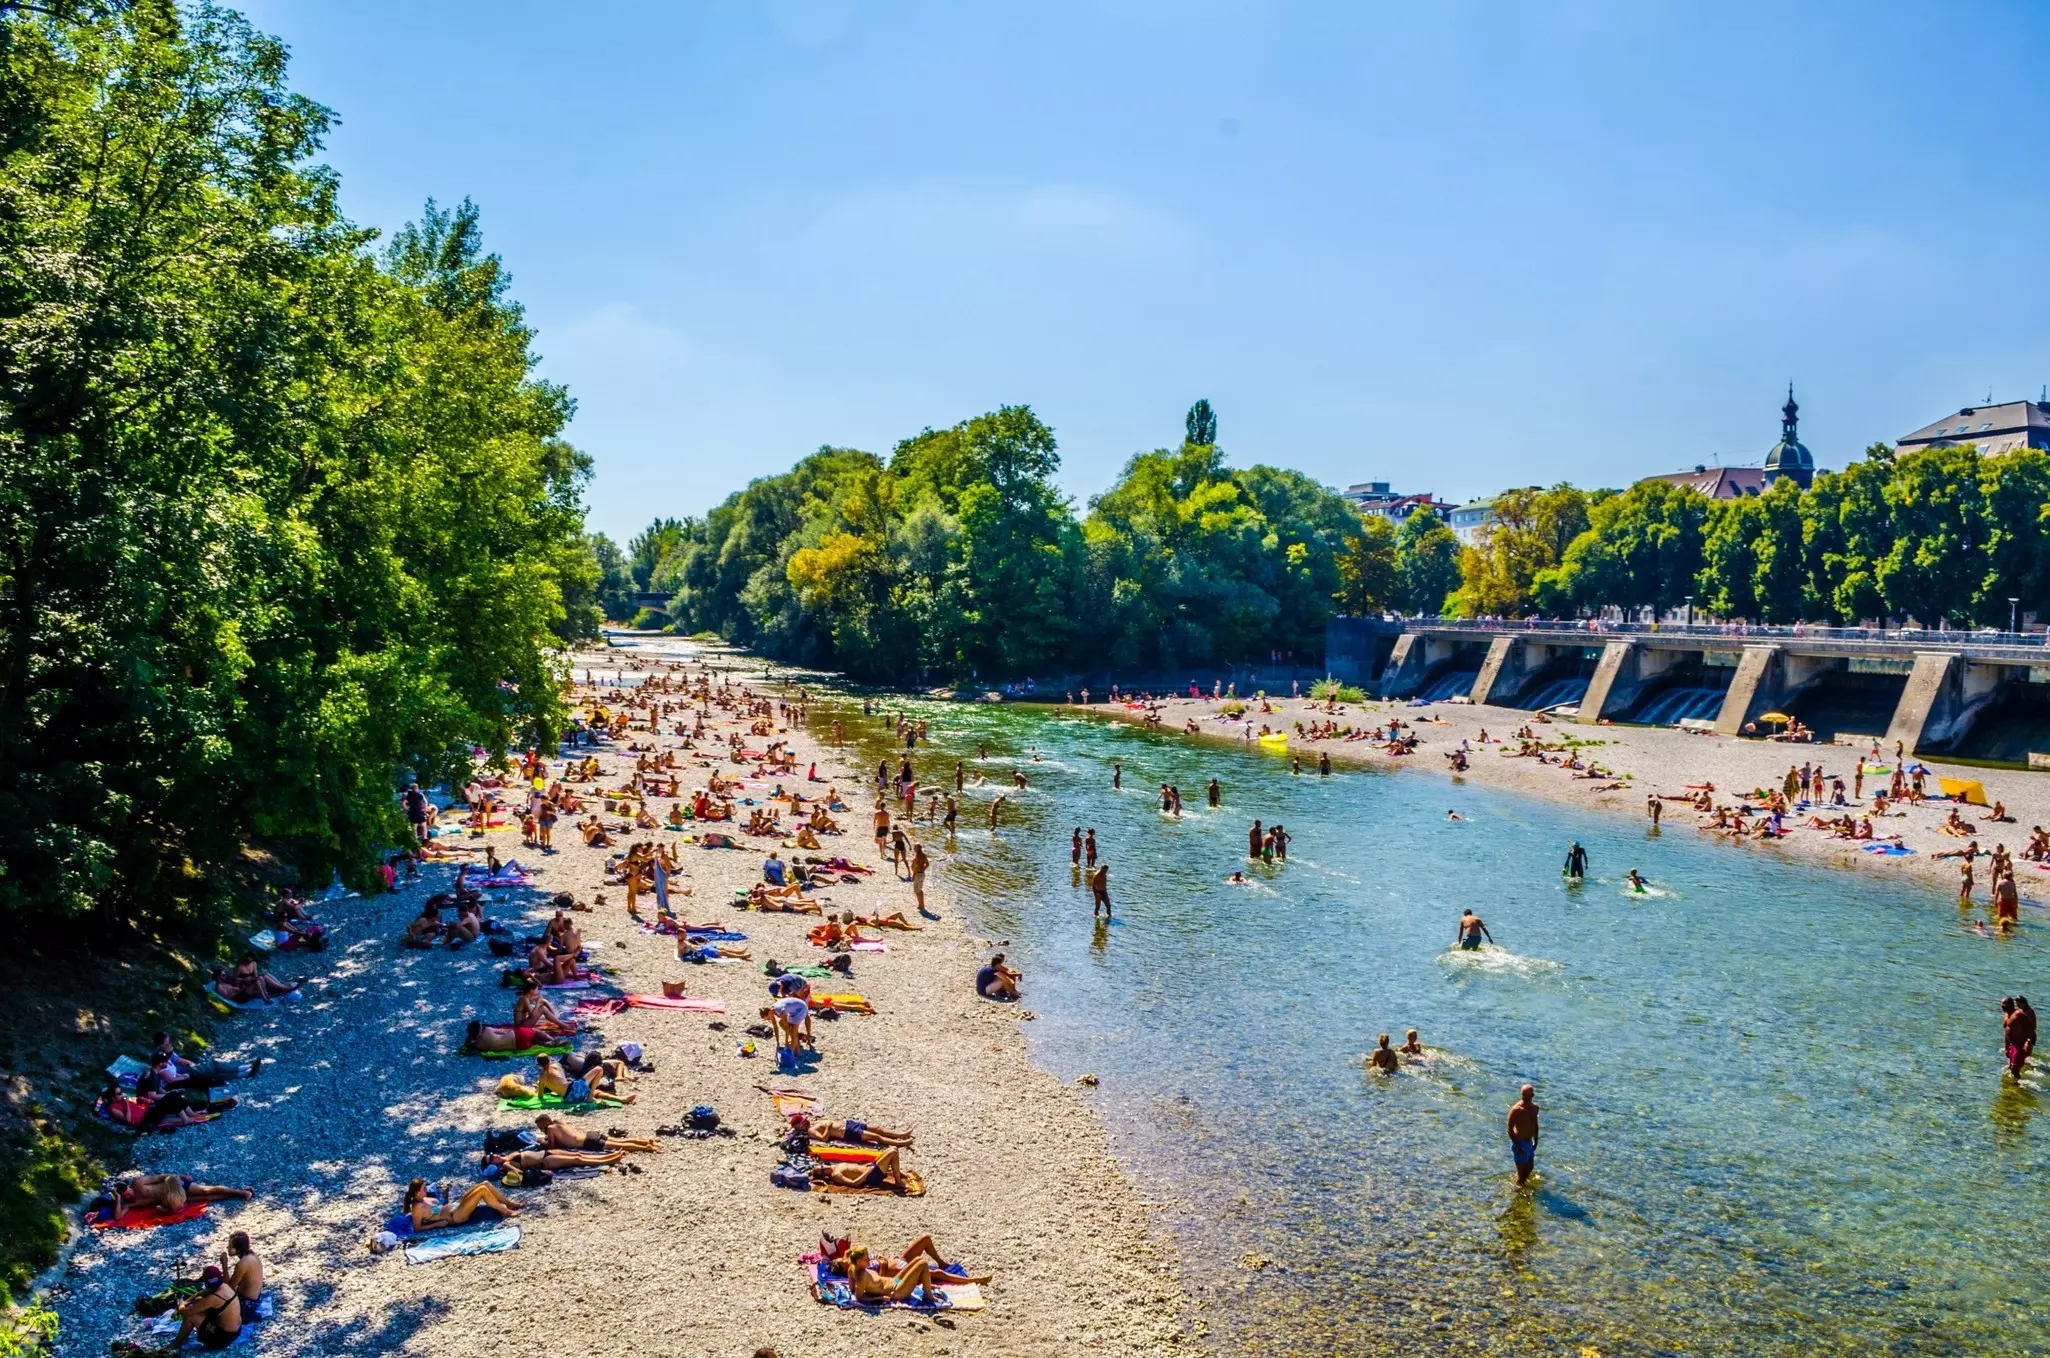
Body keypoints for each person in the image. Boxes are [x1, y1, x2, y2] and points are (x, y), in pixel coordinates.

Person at [403, 1176, 521, 1231]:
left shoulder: (423, 1199)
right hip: (455, 1216)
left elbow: (437, 1207)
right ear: (417, 1193)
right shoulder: (417, 1208)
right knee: (482, 1191)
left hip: (455, 1205)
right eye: (424, 1189)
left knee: (485, 1184)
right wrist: (436, 1225)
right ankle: (506, 1211)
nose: (427, 1190)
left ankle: (509, 1203)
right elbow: (418, 1228)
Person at [172, 1266, 242, 1350]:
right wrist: (189, 1301)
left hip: (223, 1338)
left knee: (191, 1316)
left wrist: (181, 1305)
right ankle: (184, 1338)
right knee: (198, 1300)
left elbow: (186, 1312)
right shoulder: (225, 1287)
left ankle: (175, 1345)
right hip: (236, 1331)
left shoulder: (214, 1298)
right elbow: (199, 1294)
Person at [533, 1113, 660, 1154]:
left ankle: (646, 1148)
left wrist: (542, 1141)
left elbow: (552, 1146)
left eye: (540, 1126)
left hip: (587, 1142)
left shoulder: (550, 1129)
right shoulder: (558, 1122)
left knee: (620, 1145)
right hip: (590, 1135)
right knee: (620, 1141)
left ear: (544, 1124)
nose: (540, 1129)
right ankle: (647, 1141)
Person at [221, 1231, 264, 1313]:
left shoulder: (242, 1264)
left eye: (230, 1246)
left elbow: (229, 1288)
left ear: (237, 1249)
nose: (227, 1247)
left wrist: (224, 1265)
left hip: (247, 1304)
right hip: (255, 1299)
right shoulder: (252, 1255)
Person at [1507, 1084, 1540, 1187]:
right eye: (1523, 1096)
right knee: (1521, 1176)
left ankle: (1520, 1186)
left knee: (1530, 1167)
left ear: (1532, 1095)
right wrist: (1517, 1146)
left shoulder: (1535, 1108)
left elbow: (1535, 1125)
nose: (1525, 1099)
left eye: (1527, 1096)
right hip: (1520, 1143)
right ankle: (1516, 1193)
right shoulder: (1516, 1110)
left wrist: (1536, 1141)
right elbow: (1509, 1128)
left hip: (1529, 1142)